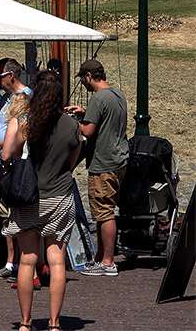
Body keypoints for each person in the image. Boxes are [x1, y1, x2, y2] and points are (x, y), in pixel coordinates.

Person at [2, 70, 81, 331]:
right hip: (58, 194)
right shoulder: (70, 124)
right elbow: (72, 161)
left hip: (29, 195)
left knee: (27, 259)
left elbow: (8, 154)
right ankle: (55, 323)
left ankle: (25, 322)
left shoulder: (25, 119)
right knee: (57, 260)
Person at [65, 59, 128, 277]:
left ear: (89, 76)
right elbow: (104, 121)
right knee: (105, 211)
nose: (82, 83)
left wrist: (71, 121)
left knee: (104, 212)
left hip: (103, 162)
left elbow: (88, 131)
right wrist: (85, 113)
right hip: (118, 158)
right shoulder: (116, 94)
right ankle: (101, 257)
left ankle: (108, 262)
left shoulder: (98, 98)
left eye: (82, 78)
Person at [0, 58, 33, 282]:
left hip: (16, 162)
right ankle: (11, 261)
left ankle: (21, 261)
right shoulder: (7, 98)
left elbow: (24, 133)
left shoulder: (26, 98)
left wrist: (0, 145)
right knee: (7, 215)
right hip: (4, 162)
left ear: (11, 75)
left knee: (18, 214)